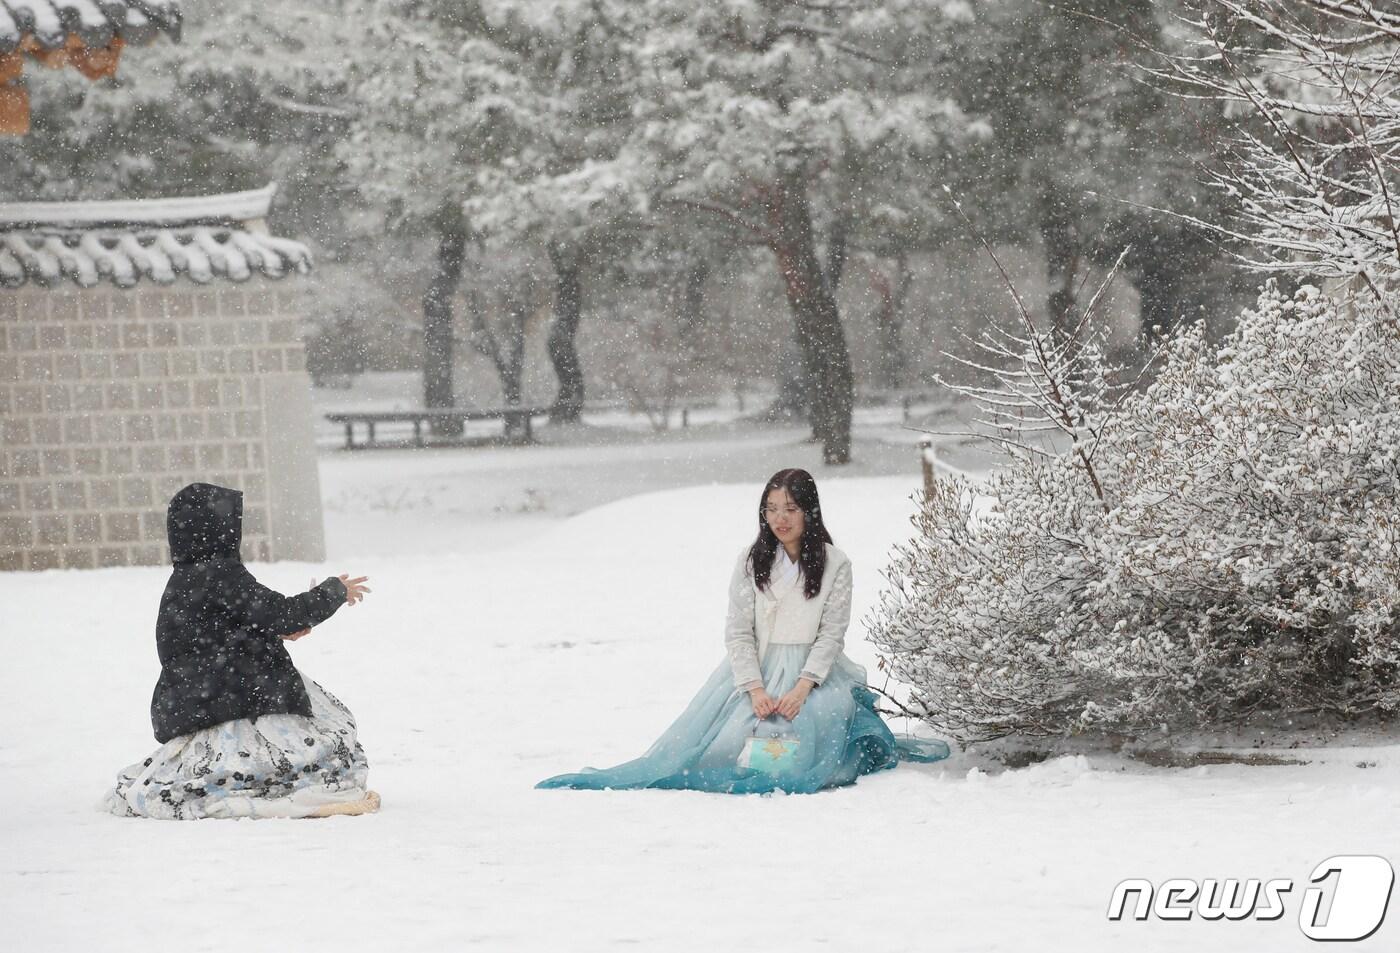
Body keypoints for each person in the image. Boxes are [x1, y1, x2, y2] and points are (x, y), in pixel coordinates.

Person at [536, 467, 949, 795]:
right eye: (771, 509)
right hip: (758, 670)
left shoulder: (835, 563)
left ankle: (804, 754)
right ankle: (764, 753)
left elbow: (831, 634)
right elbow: (738, 633)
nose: (780, 519)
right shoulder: (752, 561)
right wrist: (755, 689)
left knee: (815, 727)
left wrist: (802, 689)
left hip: (812, 672)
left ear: (809, 512)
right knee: (728, 745)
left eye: (790, 508)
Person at [102, 482, 378, 819]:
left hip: (197, 701)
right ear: (217, 529)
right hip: (234, 697)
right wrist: (333, 592)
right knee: (321, 744)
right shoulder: (219, 573)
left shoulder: (186, 577)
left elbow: (239, 624)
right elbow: (278, 613)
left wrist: (278, 629)